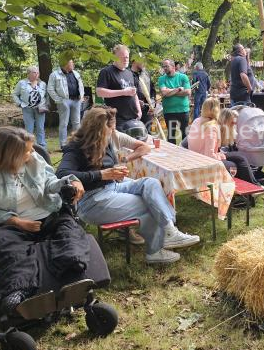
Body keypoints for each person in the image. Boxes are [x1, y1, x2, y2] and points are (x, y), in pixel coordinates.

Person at [57, 106, 199, 265]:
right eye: (110, 129)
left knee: (151, 184)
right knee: (150, 203)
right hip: (93, 201)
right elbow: (62, 173)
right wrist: (102, 174)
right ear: (98, 130)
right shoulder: (76, 147)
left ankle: (169, 230)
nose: (113, 132)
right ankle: (155, 251)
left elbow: (109, 164)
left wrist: (114, 171)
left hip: (112, 186)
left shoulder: (105, 139)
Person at [0, 126, 87, 312]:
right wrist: (15, 221)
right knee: (7, 247)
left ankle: (71, 276)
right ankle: (20, 289)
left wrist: (69, 181)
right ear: (9, 155)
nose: (32, 153)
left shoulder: (34, 158)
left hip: (49, 213)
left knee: (70, 233)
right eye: (27, 151)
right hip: (13, 224)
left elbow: (49, 182)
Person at [188, 99, 261, 185]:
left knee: (240, 157)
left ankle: (252, 185)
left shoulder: (196, 121)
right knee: (237, 163)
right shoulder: (212, 127)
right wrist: (221, 156)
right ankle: (253, 185)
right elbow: (209, 156)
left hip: (196, 158)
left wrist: (220, 154)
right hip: (205, 162)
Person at [96, 44, 141, 128]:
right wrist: (123, 92)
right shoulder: (106, 72)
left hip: (133, 117)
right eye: (122, 57)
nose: (125, 59)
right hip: (115, 118)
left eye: (127, 57)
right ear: (114, 57)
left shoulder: (130, 73)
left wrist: (139, 110)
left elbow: (134, 93)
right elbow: (99, 92)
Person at [48, 59, 85, 149]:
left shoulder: (76, 73)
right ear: (65, 64)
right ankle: (63, 145)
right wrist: (59, 100)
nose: (73, 64)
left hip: (76, 100)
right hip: (64, 101)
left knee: (77, 123)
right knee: (64, 123)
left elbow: (81, 85)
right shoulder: (54, 74)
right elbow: (50, 89)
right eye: (71, 63)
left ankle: (77, 142)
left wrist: (82, 96)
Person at [12, 65, 49, 149]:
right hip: (27, 109)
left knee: (40, 128)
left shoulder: (42, 84)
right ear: (28, 74)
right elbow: (15, 94)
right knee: (29, 129)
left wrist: (46, 105)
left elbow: (46, 96)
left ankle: (42, 148)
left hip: (40, 109)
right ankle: (29, 147)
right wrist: (19, 103)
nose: (36, 74)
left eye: (38, 73)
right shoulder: (21, 83)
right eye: (34, 72)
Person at [158, 59, 191, 144]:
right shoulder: (162, 79)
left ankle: (185, 152)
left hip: (183, 110)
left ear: (173, 67)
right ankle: (171, 152)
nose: (164, 68)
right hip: (169, 111)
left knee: (185, 135)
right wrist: (178, 89)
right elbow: (164, 93)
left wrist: (170, 91)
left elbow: (187, 92)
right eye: (163, 66)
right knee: (171, 136)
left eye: (166, 66)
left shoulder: (183, 77)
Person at [130, 58, 156, 126]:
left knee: (148, 130)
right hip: (133, 111)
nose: (144, 63)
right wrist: (135, 101)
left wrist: (152, 103)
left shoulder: (146, 74)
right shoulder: (127, 74)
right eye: (143, 61)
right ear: (135, 61)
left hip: (147, 110)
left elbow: (152, 90)